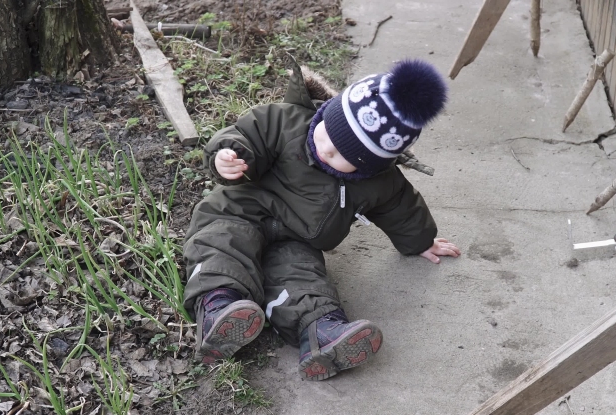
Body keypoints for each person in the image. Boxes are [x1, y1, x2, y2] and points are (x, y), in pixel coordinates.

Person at [183, 59, 460, 381]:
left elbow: (402, 207)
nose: (325, 148)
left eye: (343, 155)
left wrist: (421, 241)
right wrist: (228, 155)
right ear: (329, 111)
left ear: (370, 166)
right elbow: (245, 134)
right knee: (222, 244)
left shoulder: (380, 182)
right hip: (240, 210)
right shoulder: (284, 121)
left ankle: (321, 332)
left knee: (301, 278)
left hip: (297, 240)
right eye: (329, 131)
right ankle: (218, 306)